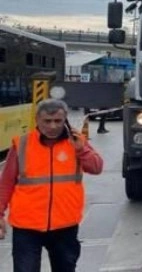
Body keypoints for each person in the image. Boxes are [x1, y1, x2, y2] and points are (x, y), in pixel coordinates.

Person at [0, 98, 104, 272]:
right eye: (47, 121)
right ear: (37, 120)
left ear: (65, 120)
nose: (53, 126)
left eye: (58, 121)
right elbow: (6, 182)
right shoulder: (22, 143)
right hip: (27, 226)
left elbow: (96, 167)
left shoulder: (76, 141)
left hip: (64, 225)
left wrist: (81, 150)